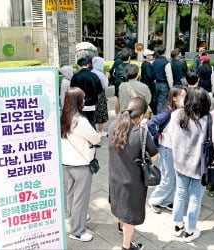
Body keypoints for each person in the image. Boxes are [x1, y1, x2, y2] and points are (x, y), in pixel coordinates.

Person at [108, 97, 158, 250]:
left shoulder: (113, 126)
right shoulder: (142, 134)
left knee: (120, 205)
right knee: (130, 214)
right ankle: (126, 246)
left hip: (115, 177)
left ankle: (121, 226)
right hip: (132, 181)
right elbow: (155, 157)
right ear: (141, 116)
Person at [167, 87, 211, 242]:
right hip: (200, 166)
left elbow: (172, 137)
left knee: (180, 193)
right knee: (195, 198)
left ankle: (177, 225)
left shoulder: (176, 115)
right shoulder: (207, 119)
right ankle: (190, 230)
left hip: (180, 162)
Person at [61, 87, 101, 242]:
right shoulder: (80, 120)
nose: (84, 101)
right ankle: (77, 231)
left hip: (68, 162)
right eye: (82, 99)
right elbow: (95, 138)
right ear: (77, 102)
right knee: (81, 198)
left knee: (72, 193)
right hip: (81, 162)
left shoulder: (63, 116)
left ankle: (73, 217)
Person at [147, 87, 187, 213]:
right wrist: (158, 135)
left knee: (174, 178)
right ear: (174, 98)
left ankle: (167, 201)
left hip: (177, 149)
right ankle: (154, 200)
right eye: (182, 96)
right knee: (167, 178)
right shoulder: (168, 112)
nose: (185, 99)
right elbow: (150, 123)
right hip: (167, 149)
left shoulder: (181, 111)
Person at [70, 57, 103, 128]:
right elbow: (99, 90)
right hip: (92, 104)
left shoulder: (75, 76)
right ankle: (92, 137)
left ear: (78, 66)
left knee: (81, 124)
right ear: (88, 65)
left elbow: (72, 91)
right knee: (92, 122)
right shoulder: (94, 76)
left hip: (80, 104)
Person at [91, 57, 109, 137]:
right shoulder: (101, 74)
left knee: (93, 112)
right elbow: (105, 86)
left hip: (91, 95)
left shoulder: (91, 72)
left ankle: (94, 130)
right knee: (101, 112)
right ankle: (101, 131)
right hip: (100, 95)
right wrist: (107, 77)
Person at [153, 46, 173, 114]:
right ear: (165, 52)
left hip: (156, 83)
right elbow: (169, 76)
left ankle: (156, 116)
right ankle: (159, 119)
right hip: (164, 84)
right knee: (162, 103)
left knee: (157, 101)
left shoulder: (154, 61)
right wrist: (171, 87)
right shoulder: (166, 62)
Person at [113, 48, 131, 115]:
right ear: (129, 58)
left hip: (118, 86)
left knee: (118, 100)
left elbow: (114, 74)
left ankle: (117, 115)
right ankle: (126, 115)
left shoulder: (118, 66)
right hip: (127, 87)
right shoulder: (130, 67)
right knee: (128, 101)